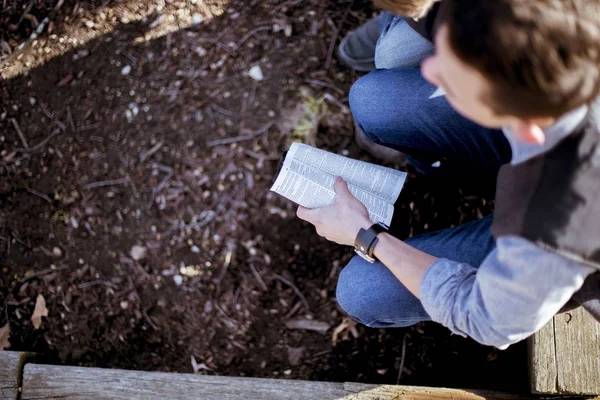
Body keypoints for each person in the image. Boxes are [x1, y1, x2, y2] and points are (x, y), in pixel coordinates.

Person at [297, 0, 600, 349]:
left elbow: (486, 318)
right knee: (377, 99)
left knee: (362, 289)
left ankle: (462, 181)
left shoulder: (557, 221)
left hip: (557, 248)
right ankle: (447, 174)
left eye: (454, 80)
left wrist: (367, 236)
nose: (431, 74)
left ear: (522, 127)